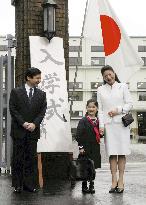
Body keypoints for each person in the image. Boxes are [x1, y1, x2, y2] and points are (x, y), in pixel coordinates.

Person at [9, 67, 47, 193]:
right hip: (19, 130)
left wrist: (34, 124)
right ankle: (17, 185)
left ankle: (29, 185)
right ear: (28, 78)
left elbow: (42, 112)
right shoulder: (16, 92)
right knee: (18, 158)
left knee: (31, 159)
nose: (39, 80)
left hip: (33, 131)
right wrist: (23, 123)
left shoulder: (41, 94)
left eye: (39, 78)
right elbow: (13, 109)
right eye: (37, 78)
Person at [97, 65, 133, 194]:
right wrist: (101, 126)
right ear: (103, 77)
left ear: (114, 73)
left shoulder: (123, 86)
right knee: (112, 154)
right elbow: (100, 110)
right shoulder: (100, 89)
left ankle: (121, 180)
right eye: (105, 76)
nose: (108, 77)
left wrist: (118, 110)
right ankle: (114, 180)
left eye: (110, 74)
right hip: (108, 126)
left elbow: (129, 104)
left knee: (122, 153)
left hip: (121, 124)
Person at [76, 99, 101, 194]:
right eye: (89, 107)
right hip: (85, 148)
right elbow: (78, 135)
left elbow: (100, 134)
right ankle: (84, 185)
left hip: (95, 148)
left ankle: (92, 185)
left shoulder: (99, 121)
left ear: (97, 108)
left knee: (93, 168)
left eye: (93, 107)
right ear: (86, 108)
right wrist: (81, 147)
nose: (91, 109)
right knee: (85, 167)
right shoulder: (83, 120)